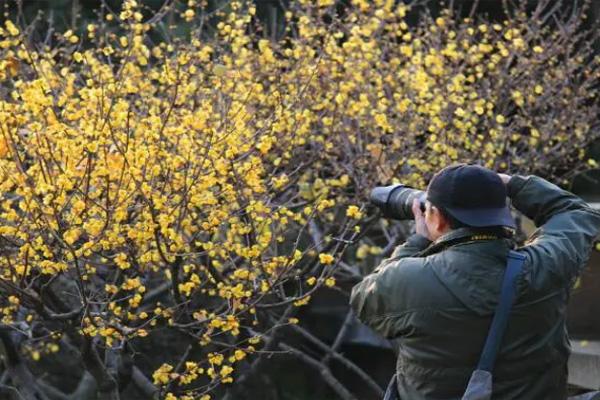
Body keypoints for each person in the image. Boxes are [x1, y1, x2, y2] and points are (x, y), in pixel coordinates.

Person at [350, 164, 600, 400]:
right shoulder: (545, 265)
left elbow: (363, 299)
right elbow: (575, 212)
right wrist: (513, 184)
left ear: (435, 218)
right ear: (501, 215)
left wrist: (417, 243)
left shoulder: (406, 279)